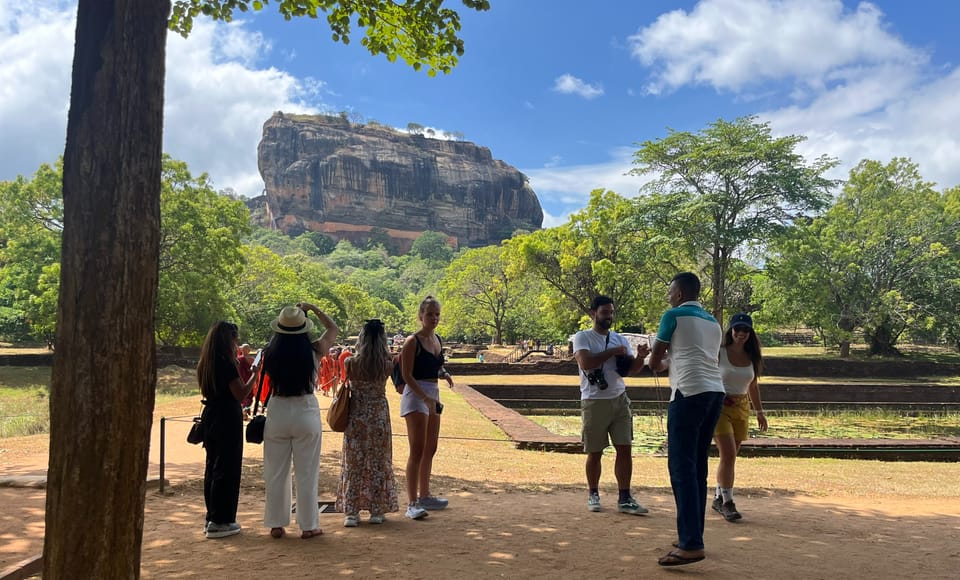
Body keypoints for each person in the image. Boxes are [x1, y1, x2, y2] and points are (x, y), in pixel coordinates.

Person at [647, 272, 725, 567]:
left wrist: (651, 360)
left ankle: (690, 543)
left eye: (670, 291)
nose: (668, 296)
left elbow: (656, 362)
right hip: (714, 391)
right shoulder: (712, 322)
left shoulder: (673, 316)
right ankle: (693, 535)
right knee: (698, 467)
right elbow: (699, 356)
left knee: (681, 467)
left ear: (679, 293)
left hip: (688, 392)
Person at [261, 303, 338, 540]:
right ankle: (308, 525)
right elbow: (333, 329)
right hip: (305, 410)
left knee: (275, 472)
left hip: (278, 410)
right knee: (307, 473)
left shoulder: (270, 352)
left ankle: (276, 523)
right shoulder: (314, 350)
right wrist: (312, 308)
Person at [572, 296, 651, 516]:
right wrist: (611, 352)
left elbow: (629, 371)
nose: (609, 317)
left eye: (612, 312)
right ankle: (593, 493)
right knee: (595, 451)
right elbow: (586, 363)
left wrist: (640, 358)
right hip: (594, 401)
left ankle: (625, 497)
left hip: (619, 399)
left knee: (624, 449)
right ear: (593, 313)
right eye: (605, 312)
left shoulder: (620, 339)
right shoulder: (583, 337)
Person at [197, 322, 260, 539]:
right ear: (229, 339)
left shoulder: (207, 362)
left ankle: (212, 517)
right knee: (227, 469)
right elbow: (240, 393)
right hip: (226, 418)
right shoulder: (225, 363)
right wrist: (255, 374)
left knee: (212, 468)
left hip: (211, 417)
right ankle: (221, 519)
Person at [337, 319, 400, 527]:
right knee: (378, 461)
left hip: (356, 416)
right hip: (379, 415)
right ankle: (376, 509)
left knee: (354, 462)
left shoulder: (350, 363)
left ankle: (352, 512)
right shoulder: (387, 364)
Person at [400, 295, 455, 520]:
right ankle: (411, 502)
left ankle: (425, 495)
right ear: (420, 316)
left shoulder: (437, 339)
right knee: (417, 449)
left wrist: (444, 374)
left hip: (433, 394)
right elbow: (406, 374)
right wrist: (424, 397)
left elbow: (435, 366)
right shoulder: (413, 341)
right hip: (416, 395)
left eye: (437, 314)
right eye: (430, 314)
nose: (434, 318)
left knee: (431, 448)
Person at [712, 312, 768, 522]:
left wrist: (759, 412)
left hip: (741, 407)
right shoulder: (720, 353)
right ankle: (728, 502)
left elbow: (753, 385)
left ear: (750, 333)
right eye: (737, 329)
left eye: (745, 330)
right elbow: (708, 375)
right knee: (728, 455)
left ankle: (718, 497)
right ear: (731, 330)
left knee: (731, 456)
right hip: (720, 407)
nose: (741, 334)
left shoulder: (753, 356)